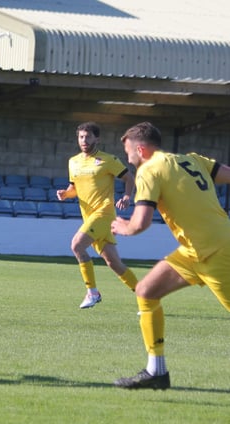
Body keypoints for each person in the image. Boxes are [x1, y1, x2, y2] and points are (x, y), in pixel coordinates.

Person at [111, 122, 230, 390]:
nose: (128, 159)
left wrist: (123, 227)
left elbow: (140, 223)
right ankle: (156, 372)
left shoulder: (148, 170)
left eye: (128, 152)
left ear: (140, 149)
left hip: (216, 251)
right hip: (194, 250)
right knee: (146, 291)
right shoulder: (193, 160)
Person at [57, 122, 139, 309]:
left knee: (77, 245)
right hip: (90, 217)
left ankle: (92, 292)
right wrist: (65, 194)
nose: (84, 140)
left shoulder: (108, 160)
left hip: (104, 214)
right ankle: (146, 296)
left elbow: (129, 178)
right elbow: (74, 189)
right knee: (114, 263)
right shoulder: (73, 161)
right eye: (81, 137)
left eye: (88, 136)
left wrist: (127, 196)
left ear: (97, 138)